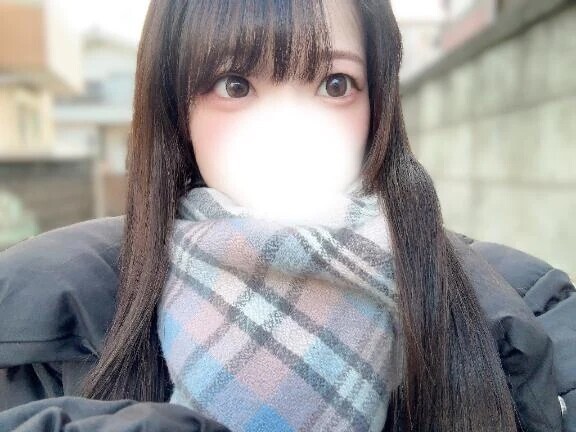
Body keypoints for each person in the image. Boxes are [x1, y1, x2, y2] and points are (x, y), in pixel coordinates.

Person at [0, 0, 574, 431]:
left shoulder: (524, 309)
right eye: (234, 84)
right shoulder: (36, 317)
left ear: (378, 105)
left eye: (334, 84)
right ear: (176, 109)